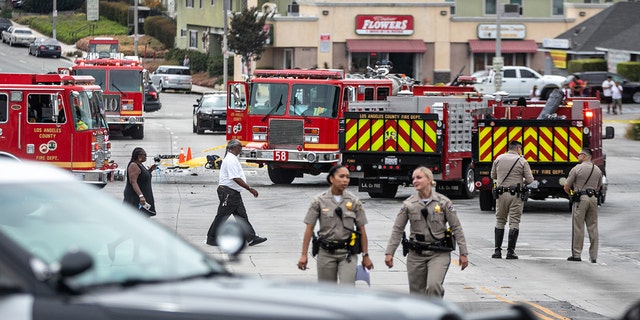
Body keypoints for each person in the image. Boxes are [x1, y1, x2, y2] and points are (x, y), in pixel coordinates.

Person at [383, 167, 468, 297]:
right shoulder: (409, 204)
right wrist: (390, 252)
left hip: (438, 253)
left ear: (429, 180)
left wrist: (463, 253)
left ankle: (436, 295)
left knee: (433, 286)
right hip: (416, 254)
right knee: (417, 296)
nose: (415, 181)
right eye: (413, 178)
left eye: (419, 177)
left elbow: (456, 227)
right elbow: (397, 229)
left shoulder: (443, 202)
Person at [297, 165, 373, 284]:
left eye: (347, 177)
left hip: (347, 253)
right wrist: (303, 255)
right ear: (331, 178)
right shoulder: (319, 201)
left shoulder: (354, 201)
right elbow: (309, 228)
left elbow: (362, 230)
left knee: (347, 290)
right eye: (341, 176)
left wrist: (366, 255)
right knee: (327, 293)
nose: (345, 180)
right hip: (326, 253)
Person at [206, 139, 267, 247]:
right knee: (222, 216)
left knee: (242, 216)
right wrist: (249, 189)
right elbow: (235, 178)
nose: (241, 148)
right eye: (239, 146)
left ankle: (251, 238)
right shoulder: (230, 160)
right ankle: (211, 238)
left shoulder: (232, 159)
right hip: (228, 193)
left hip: (233, 193)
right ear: (233, 148)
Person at [490, 140, 534, 260]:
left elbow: (493, 176)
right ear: (518, 148)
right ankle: (510, 252)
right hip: (515, 195)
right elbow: (530, 180)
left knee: (500, 220)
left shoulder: (498, 159)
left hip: (501, 194)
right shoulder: (522, 161)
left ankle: (497, 251)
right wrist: (521, 180)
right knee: (514, 222)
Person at [564, 148, 602, 263]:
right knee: (593, 227)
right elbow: (599, 187)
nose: (577, 157)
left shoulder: (577, 168)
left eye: (579, 155)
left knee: (578, 227)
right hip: (593, 199)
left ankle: (576, 254)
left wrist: (572, 195)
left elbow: (566, 186)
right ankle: (594, 256)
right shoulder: (597, 170)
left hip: (581, 199)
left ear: (585, 156)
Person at [123, 147, 157, 216]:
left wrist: (150, 170)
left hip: (144, 195)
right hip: (135, 197)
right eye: (144, 155)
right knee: (136, 216)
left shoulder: (140, 164)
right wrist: (141, 196)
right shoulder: (133, 166)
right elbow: (133, 182)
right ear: (139, 156)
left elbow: (142, 177)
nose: (146, 157)